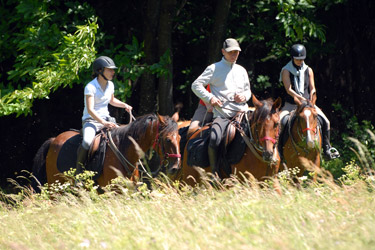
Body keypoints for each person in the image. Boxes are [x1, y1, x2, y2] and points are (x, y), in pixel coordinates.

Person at [191, 38, 251, 177]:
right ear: (223, 52)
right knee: (214, 138)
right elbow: (195, 85)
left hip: (243, 112)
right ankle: (214, 174)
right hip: (223, 114)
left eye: (236, 52)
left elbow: (248, 91)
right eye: (231, 52)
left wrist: (244, 96)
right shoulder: (214, 68)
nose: (234, 54)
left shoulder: (242, 70)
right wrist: (211, 98)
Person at [279, 44, 339, 160]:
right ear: (292, 58)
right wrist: (300, 98)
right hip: (291, 104)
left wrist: (312, 96)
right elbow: (289, 89)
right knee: (281, 122)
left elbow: (312, 88)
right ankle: (278, 150)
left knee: (326, 121)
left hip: (308, 104)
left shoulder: (309, 70)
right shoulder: (286, 70)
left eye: (302, 59)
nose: (300, 61)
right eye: (297, 59)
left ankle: (327, 148)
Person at [76, 56, 133, 173]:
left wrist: (124, 105)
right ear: (100, 70)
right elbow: (90, 109)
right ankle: (79, 172)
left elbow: (112, 100)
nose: (113, 72)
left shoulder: (110, 85)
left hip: (107, 120)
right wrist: (104, 122)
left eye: (113, 69)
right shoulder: (90, 87)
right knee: (87, 141)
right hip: (91, 121)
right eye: (110, 69)